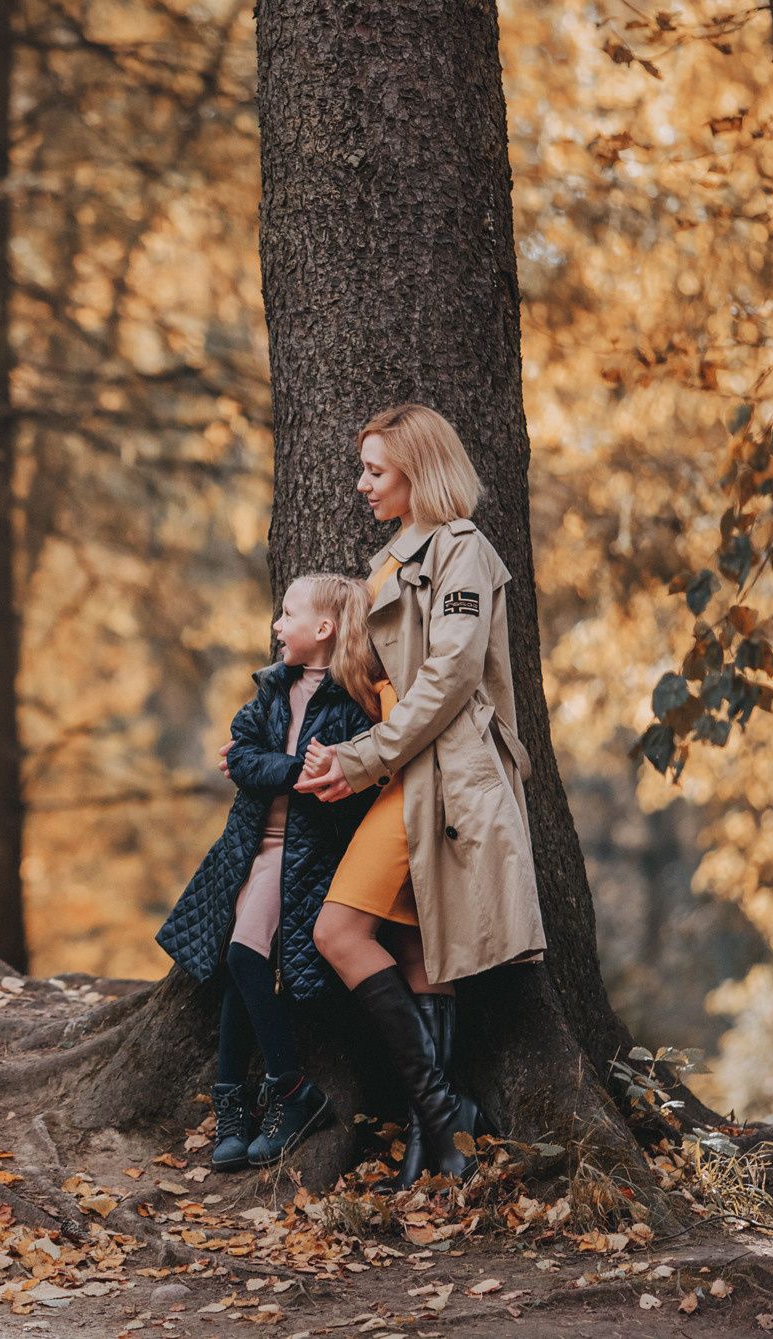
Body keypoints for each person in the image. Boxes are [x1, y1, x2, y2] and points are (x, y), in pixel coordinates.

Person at [295, 403, 545, 1184]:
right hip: (394, 768)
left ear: (419, 471)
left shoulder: (461, 549)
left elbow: (447, 678)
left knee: (337, 932)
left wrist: (365, 756)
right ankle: (433, 1137)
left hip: (429, 772)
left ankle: (441, 1115)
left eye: (376, 470)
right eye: (364, 467)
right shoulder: (389, 557)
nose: (362, 483)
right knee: (415, 949)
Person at [158, 574, 382, 1171]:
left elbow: (351, 783)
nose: (277, 625)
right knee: (239, 965)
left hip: (299, 856)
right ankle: (236, 1101)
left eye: (287, 614)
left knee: (242, 959)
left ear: (324, 629)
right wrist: (291, 770)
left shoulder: (352, 704)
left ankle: (288, 1089)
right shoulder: (271, 690)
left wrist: (323, 773)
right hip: (249, 847)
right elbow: (242, 752)